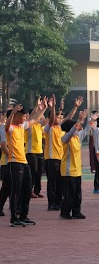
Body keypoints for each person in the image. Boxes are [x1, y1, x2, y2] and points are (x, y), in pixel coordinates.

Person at [6, 97, 48, 226]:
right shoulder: (11, 128)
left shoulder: (22, 127)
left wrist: (44, 108)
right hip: (14, 161)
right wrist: (12, 112)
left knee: (26, 188)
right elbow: (7, 125)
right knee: (16, 190)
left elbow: (34, 119)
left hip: (24, 162)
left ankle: (24, 215)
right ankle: (14, 217)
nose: (25, 118)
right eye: (23, 116)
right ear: (16, 117)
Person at [60, 110, 95, 219]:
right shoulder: (65, 138)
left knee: (77, 194)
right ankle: (65, 212)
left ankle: (76, 211)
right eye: (77, 125)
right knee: (68, 194)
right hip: (68, 170)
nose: (79, 127)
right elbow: (71, 132)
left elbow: (86, 130)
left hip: (77, 170)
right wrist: (79, 120)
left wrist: (91, 120)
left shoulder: (77, 137)